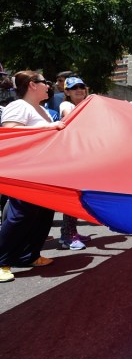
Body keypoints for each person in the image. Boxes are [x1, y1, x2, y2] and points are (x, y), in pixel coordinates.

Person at [0, 71, 66, 283]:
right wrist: (48, 127)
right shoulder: (18, 106)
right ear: (31, 85)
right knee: (20, 216)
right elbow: (10, 133)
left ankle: (29, 256)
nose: (48, 86)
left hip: (43, 171)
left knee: (44, 213)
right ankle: (2, 261)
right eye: (44, 82)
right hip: (24, 171)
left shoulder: (43, 110)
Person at [58, 77, 93, 250]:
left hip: (79, 156)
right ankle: (67, 236)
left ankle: (72, 231)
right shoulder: (68, 106)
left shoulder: (84, 106)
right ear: (67, 92)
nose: (79, 90)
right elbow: (70, 119)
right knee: (72, 196)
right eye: (74, 88)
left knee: (78, 196)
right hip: (70, 157)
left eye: (81, 86)